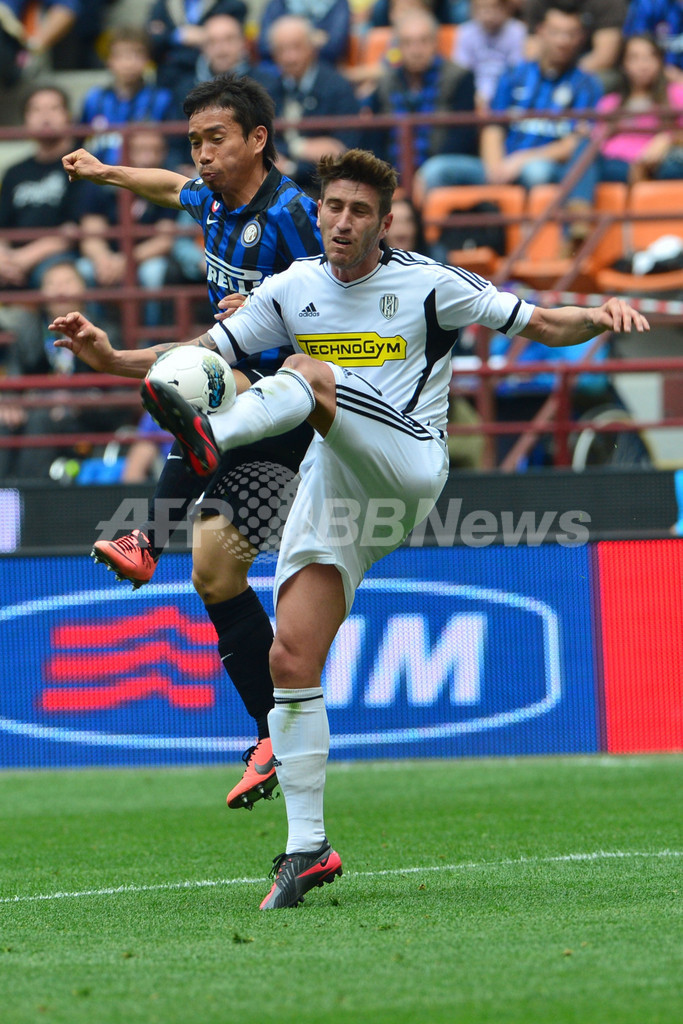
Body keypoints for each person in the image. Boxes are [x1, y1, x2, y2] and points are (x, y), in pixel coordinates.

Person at [52, 148, 650, 909]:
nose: (341, 221)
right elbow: (198, 356)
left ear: (383, 222)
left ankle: (213, 439)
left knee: (306, 374)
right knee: (290, 657)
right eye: (332, 207)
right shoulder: (291, 287)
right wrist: (111, 360)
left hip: (407, 462)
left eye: (358, 211)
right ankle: (309, 849)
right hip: (337, 487)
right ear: (320, 211)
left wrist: (598, 316)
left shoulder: (430, 283)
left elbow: (541, 321)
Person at [61, 73, 323, 811]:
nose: (203, 155)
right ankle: (273, 735)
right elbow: (168, 185)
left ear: (258, 139)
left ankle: (146, 534)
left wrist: (276, 309)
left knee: (197, 378)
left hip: (297, 399)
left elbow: (346, 298)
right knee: (213, 572)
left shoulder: (294, 212)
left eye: (217, 139)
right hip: (238, 397)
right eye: (195, 141)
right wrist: (107, 172)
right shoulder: (210, 200)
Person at [0, 258, 125, 479]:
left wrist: (76, 404)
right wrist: (9, 400)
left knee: (40, 421)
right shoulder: (29, 330)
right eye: (52, 284)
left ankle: (27, 494)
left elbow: (119, 394)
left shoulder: (105, 332)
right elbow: (15, 375)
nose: (60, 290)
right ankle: (7, 492)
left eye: (67, 282)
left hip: (86, 416)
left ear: (84, 289)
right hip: (38, 410)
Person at [76, 128, 179, 330]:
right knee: (83, 269)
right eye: (141, 150)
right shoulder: (102, 182)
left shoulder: (170, 183)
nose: (149, 158)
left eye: (156, 150)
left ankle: (151, 337)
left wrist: (126, 260)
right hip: (109, 258)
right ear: (126, 152)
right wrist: (103, 260)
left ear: (165, 153)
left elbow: (164, 241)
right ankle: (95, 332)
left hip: (145, 258)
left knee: (154, 272)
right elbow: (91, 235)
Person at [366, 10, 478, 182]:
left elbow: (462, 138)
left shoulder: (460, 78)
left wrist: (422, 175)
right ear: (398, 47)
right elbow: (374, 139)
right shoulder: (385, 83)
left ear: (435, 43)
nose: (416, 51)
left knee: (435, 171)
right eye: (408, 43)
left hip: (446, 168)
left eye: (423, 41)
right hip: (394, 172)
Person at [259, 15, 361, 193]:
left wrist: (291, 163)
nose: (289, 57)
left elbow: (344, 153)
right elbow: (263, 146)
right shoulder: (269, 91)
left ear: (312, 47)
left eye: (296, 47)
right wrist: (301, 148)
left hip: (328, 189)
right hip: (278, 190)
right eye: (281, 50)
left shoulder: (337, 87)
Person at [575, 34, 683, 198]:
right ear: (623, 64)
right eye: (634, 58)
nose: (643, 65)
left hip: (657, 166)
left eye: (649, 57)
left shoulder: (676, 94)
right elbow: (598, 141)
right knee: (584, 150)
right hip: (618, 167)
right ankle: (578, 211)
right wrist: (588, 133)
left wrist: (668, 139)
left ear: (660, 61)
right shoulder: (610, 102)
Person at [0, 85, 83, 291]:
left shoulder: (82, 166)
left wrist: (24, 258)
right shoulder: (14, 172)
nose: (45, 117)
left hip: (61, 257)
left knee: (58, 278)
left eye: (53, 108)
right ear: (25, 120)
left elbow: (74, 229)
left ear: (68, 117)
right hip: (13, 259)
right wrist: (4, 259)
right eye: (36, 110)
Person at [80, 26, 177, 168]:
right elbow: (80, 141)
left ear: (147, 60)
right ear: (109, 60)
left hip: (146, 175)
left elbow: (173, 148)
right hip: (100, 176)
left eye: (137, 55)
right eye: (121, 55)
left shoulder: (162, 99)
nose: (129, 63)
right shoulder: (94, 99)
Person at [147, 0, 248, 91]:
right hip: (171, 76)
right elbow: (152, 40)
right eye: (212, 41)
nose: (221, 48)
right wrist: (178, 34)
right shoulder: (163, 5)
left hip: (212, 71)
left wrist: (167, 33)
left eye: (228, 40)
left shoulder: (231, 5)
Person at [524, 0, 627, 78]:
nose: (562, 42)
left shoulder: (607, 3)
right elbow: (532, 51)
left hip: (586, 69)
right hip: (546, 67)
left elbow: (604, 56)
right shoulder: (537, 3)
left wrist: (571, 77)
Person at [454, 0, 527, 109]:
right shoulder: (465, 32)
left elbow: (516, 71)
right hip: (472, 95)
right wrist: (477, 95)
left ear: (506, 8)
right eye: (483, 8)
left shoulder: (518, 31)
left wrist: (493, 95)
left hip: (506, 95)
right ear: (473, 9)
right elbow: (461, 72)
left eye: (494, 8)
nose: (489, 15)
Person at [257, 0, 351, 68]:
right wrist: (310, 37)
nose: (292, 57)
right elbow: (264, 46)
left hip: (321, 67)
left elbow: (333, 48)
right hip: (276, 68)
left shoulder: (338, 4)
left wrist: (285, 38)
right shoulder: (278, 3)